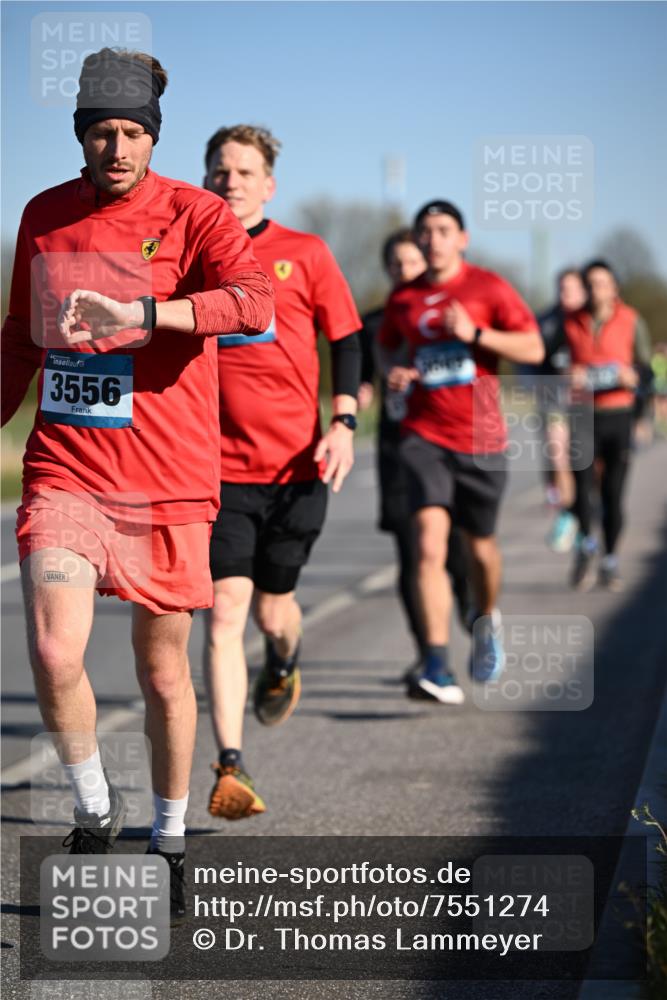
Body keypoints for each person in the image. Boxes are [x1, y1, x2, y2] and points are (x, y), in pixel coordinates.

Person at [1, 50, 273, 919]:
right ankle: (92, 807)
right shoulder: (44, 215)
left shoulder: (194, 214)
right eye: (103, 131)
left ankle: (168, 836)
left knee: (162, 674)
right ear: (81, 135)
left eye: (134, 133)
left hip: (165, 479)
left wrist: (148, 315)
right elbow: (19, 334)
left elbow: (253, 302)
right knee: (52, 648)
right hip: (66, 468)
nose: (118, 147)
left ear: (153, 136)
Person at [202, 124, 361, 819]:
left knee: (272, 612)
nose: (230, 180)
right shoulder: (187, 257)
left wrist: (345, 421)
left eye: (244, 170)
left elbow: (347, 338)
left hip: (297, 466)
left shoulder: (305, 253)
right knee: (223, 614)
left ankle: (285, 659)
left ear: (268, 184)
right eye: (219, 169)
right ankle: (229, 766)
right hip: (216, 471)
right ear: (205, 178)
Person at [377, 200, 544, 703]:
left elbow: (533, 348)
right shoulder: (404, 297)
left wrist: (476, 334)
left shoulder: (488, 286)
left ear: (462, 239)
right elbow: (386, 345)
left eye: (443, 230)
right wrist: (395, 370)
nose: (433, 239)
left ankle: (486, 618)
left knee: (480, 550)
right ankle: (436, 662)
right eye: (425, 231)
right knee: (427, 543)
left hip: (482, 437)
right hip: (422, 433)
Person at [358, 230, 471, 682]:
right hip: (398, 445)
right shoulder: (371, 323)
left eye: (412, 263)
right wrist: (363, 389)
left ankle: (470, 606)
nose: (404, 271)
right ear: (387, 270)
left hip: (448, 442)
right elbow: (361, 371)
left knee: (455, 545)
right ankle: (429, 653)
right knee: (411, 551)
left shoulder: (446, 316)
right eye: (396, 264)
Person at [564, 259, 653, 591]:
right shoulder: (570, 321)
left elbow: (647, 370)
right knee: (582, 491)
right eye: (590, 284)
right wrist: (567, 374)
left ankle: (610, 559)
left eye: (603, 283)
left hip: (619, 415)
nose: (596, 290)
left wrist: (634, 378)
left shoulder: (631, 320)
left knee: (613, 495)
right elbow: (548, 359)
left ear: (614, 287)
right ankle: (586, 545)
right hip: (583, 415)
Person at [536, 269, 587, 553]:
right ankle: (568, 515)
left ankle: (584, 513)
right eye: (561, 288)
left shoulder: (590, 321)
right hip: (554, 400)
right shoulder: (546, 322)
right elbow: (529, 360)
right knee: (558, 457)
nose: (565, 293)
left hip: (590, 405)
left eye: (572, 288)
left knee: (589, 465)